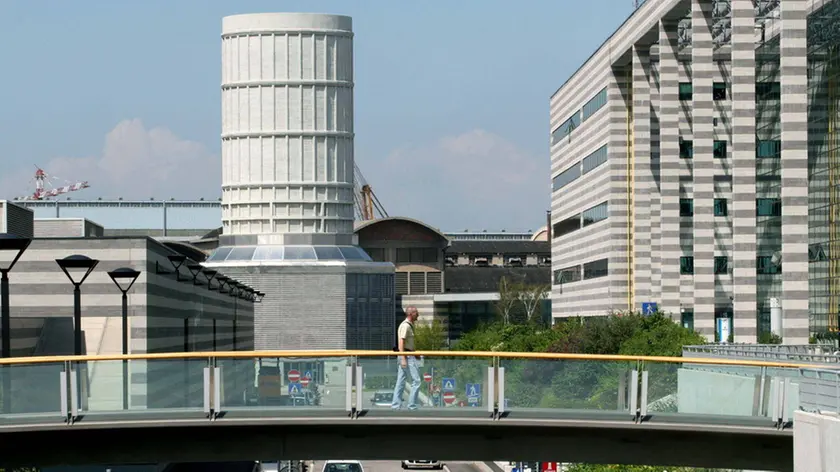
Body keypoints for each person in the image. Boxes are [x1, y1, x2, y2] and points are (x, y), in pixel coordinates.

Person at [391, 306, 421, 410]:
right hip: (407, 355)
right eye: (416, 312)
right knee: (416, 381)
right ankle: (411, 405)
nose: (418, 314)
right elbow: (401, 342)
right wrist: (403, 358)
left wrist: (415, 353)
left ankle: (395, 405)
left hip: (408, 354)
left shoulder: (409, 325)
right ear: (411, 314)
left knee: (401, 381)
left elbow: (407, 342)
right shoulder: (406, 326)